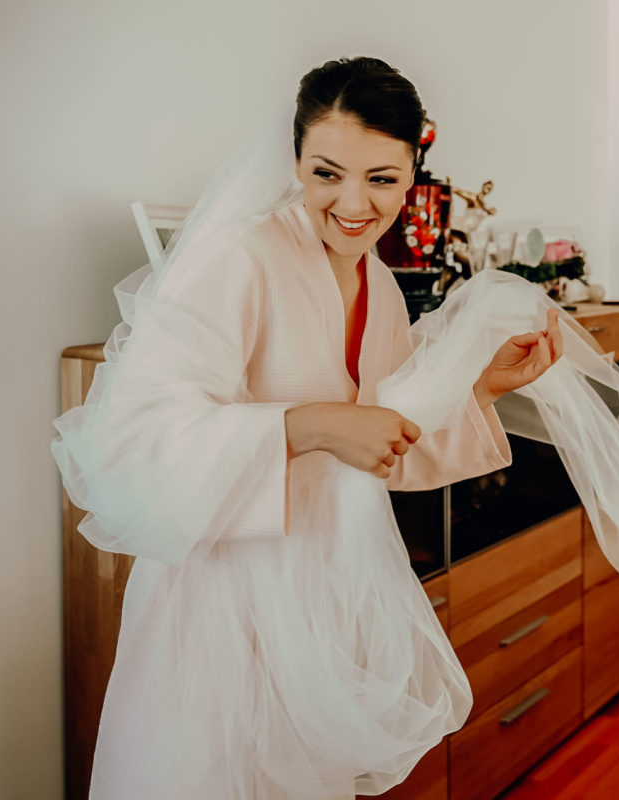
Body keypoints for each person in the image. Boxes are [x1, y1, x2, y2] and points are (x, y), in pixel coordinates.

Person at [54, 57, 568, 799]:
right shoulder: (238, 258)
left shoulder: (383, 289)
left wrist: (484, 386)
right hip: (218, 615)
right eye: (327, 173)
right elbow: (132, 447)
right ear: (295, 161)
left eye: (382, 179)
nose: (353, 203)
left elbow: (382, 442)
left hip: (325, 605)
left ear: (414, 173)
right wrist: (309, 426)